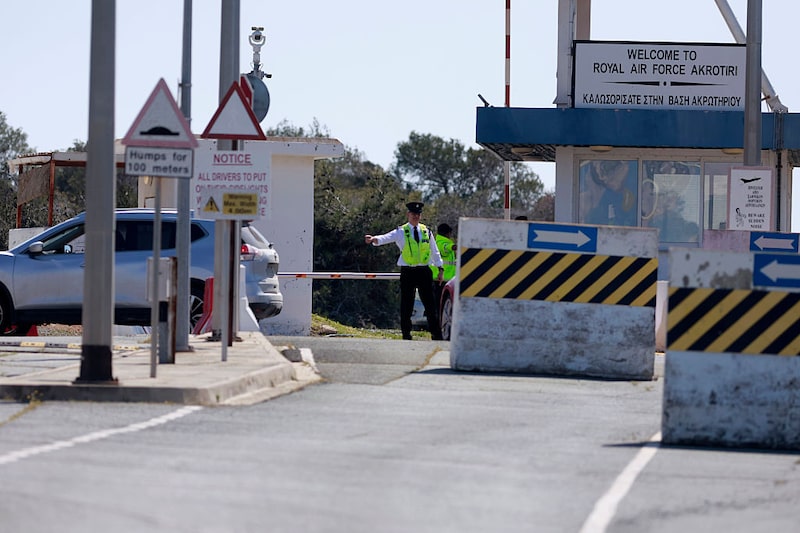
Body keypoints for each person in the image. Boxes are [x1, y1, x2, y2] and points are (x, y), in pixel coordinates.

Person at [365, 201, 444, 340]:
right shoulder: (402, 231)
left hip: (424, 271)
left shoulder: (426, 231)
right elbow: (386, 237)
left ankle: (436, 334)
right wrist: (374, 239)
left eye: (418, 214)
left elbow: (434, 250)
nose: (416, 217)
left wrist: (440, 267)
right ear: (408, 214)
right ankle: (406, 334)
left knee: (430, 304)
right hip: (408, 272)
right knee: (407, 303)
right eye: (413, 214)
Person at [430, 222, 456, 315]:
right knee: (439, 304)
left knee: (439, 304)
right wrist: (454, 247)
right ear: (447, 233)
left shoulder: (437, 241)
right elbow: (445, 248)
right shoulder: (440, 243)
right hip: (440, 280)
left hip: (444, 279)